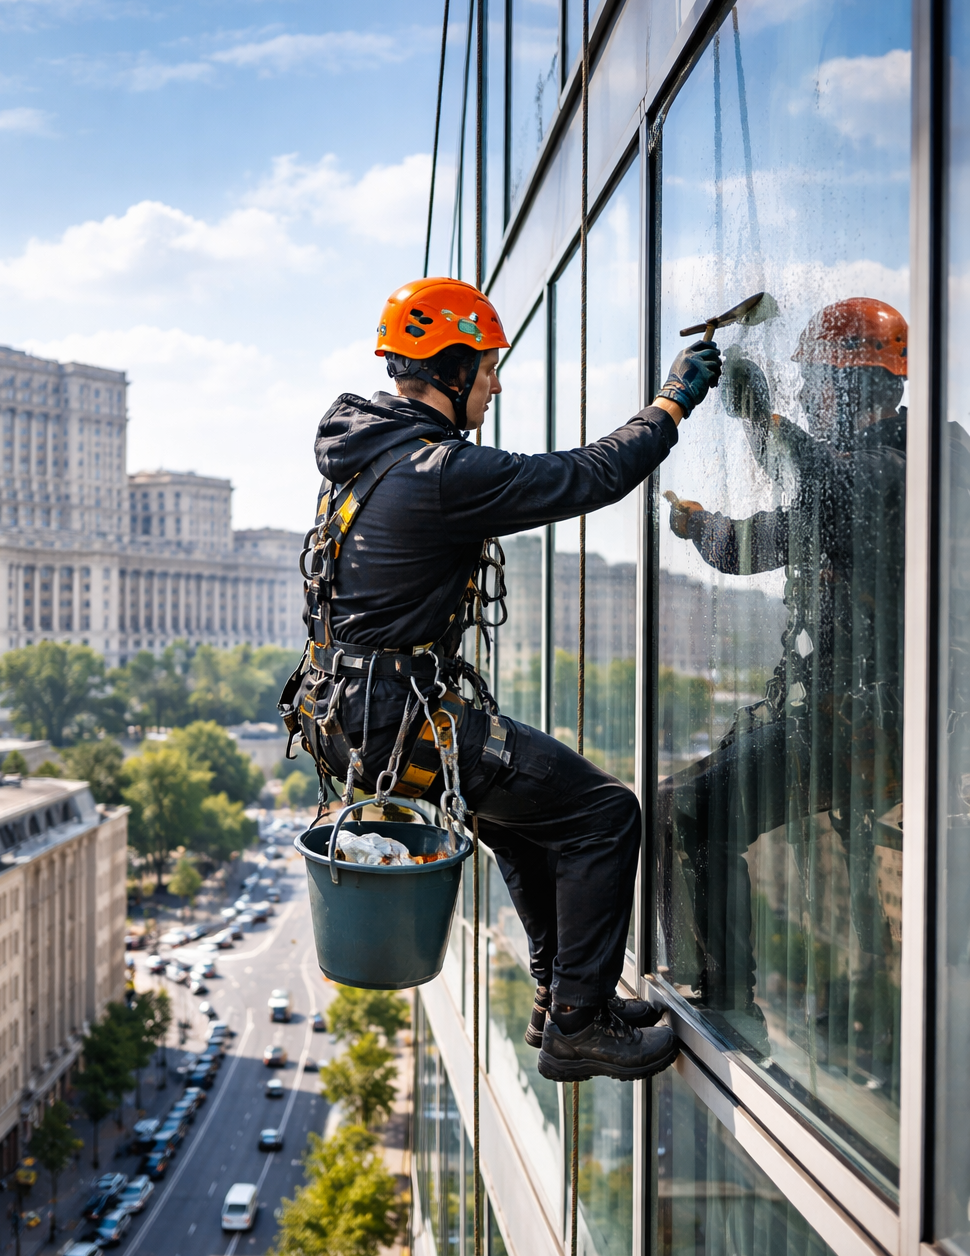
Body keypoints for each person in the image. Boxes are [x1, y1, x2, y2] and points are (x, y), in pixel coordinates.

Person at [284, 276, 722, 1082]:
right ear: (452, 369)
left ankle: (563, 995)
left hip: (351, 714)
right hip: (396, 718)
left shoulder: (364, 461)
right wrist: (671, 404)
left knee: (524, 827)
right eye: (486, 366)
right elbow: (590, 475)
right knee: (603, 813)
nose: (495, 380)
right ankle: (579, 1025)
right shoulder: (436, 470)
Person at [658, 297, 907, 1060]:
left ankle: (727, 1010)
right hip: (866, 718)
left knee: (685, 812)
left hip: (867, 719)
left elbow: (825, 495)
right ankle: (733, 999)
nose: (804, 397)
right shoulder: (881, 475)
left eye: (812, 385)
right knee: (688, 806)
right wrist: (701, 525)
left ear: (849, 388)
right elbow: (755, 544)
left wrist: (760, 421)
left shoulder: (899, 471)